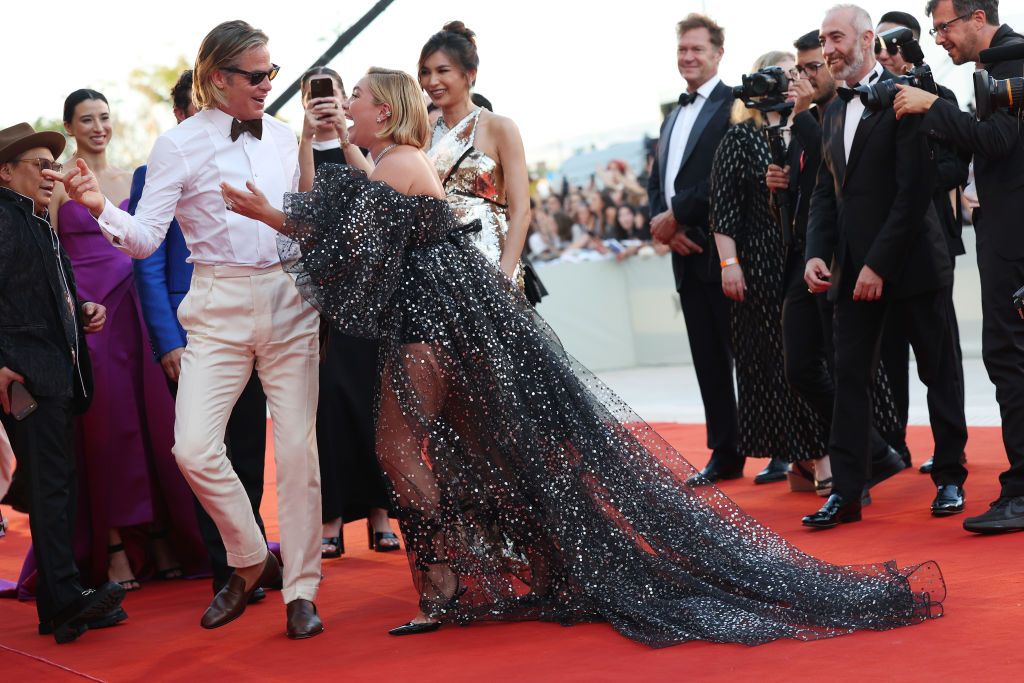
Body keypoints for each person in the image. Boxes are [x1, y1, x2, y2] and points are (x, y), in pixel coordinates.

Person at [221, 65, 946, 647]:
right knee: (487, 447)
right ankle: (526, 565)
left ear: (384, 109)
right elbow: (352, 226)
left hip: (429, 324)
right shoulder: (395, 159)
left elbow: (350, 242)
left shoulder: (400, 162)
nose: (346, 103)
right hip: (448, 322)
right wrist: (298, 190)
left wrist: (267, 214)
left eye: (356, 97)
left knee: (400, 443)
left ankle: (449, 583)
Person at [51, 20, 324, 639]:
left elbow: (306, 228)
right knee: (193, 448)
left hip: (287, 299)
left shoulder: (284, 138)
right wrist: (98, 209)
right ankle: (252, 558)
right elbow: (145, 240)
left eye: (271, 73)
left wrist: (277, 219)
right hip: (216, 304)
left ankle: (302, 590)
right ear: (217, 78)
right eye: (255, 76)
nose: (266, 85)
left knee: (298, 453)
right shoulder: (176, 145)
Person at [802, 5, 967, 528]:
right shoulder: (829, 112)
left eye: (836, 38)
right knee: (849, 378)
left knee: (937, 373)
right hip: (851, 271)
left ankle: (949, 479)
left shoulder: (904, 97)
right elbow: (827, 196)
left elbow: (913, 191)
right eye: (823, 40)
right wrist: (815, 253)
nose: (828, 49)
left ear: (867, 39)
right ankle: (848, 491)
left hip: (914, 262)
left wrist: (878, 263)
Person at [49, 89, 201, 592]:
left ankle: (161, 532)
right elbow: (50, 257)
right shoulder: (55, 185)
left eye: (104, 118)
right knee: (105, 427)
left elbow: (152, 240)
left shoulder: (134, 175)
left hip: (136, 306)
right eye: (86, 119)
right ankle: (114, 543)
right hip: (91, 314)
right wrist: (70, 311)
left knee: (152, 422)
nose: (98, 127)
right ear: (69, 126)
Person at [130, 70, 272, 600]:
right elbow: (146, 262)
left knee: (249, 447)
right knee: (201, 448)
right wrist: (167, 339)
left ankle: (254, 555)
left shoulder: (259, 155)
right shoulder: (157, 167)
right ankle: (227, 570)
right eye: (197, 109)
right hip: (193, 328)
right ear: (180, 116)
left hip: (258, 319)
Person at [894, 0, 1024, 532]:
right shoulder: (995, 67)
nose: (939, 38)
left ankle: (1020, 491)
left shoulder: (1013, 62)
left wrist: (932, 107)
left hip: (1014, 238)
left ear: (976, 17)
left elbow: (997, 140)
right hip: (1001, 231)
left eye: (943, 26)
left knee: (1008, 358)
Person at [0, 122, 125, 643]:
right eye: (40, 166)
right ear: (6, 172)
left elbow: (54, 290)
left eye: (54, 165)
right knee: (51, 489)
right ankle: (64, 599)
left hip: (55, 372)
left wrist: (85, 307)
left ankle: (61, 600)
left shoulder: (36, 222)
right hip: (26, 375)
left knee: (57, 486)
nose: (52, 175)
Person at [297, 65, 399, 557]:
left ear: (345, 100)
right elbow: (303, 203)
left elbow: (377, 192)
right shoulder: (293, 148)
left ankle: (381, 513)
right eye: (314, 95)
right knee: (330, 404)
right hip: (319, 290)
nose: (325, 103)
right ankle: (331, 517)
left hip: (370, 286)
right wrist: (306, 138)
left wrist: (342, 135)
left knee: (374, 399)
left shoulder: (365, 146)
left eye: (335, 94)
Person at [709, 50, 825, 483]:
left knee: (809, 361)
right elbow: (723, 211)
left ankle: (814, 455)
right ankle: (798, 458)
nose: (787, 84)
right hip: (756, 267)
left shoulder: (810, 129)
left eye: (794, 74)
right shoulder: (739, 139)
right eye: (778, 77)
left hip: (800, 257)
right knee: (771, 366)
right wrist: (730, 264)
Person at [873, 10, 971, 474]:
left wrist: (917, 180)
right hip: (883, 246)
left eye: (899, 44)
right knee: (888, 352)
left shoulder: (941, 96)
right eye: (883, 45)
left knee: (939, 353)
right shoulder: (873, 101)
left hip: (933, 240)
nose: (890, 55)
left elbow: (957, 166)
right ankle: (894, 446)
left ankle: (952, 448)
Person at [648, 14, 741, 485]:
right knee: (707, 361)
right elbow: (656, 182)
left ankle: (786, 450)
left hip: (724, 251)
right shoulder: (670, 116)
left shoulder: (734, 105)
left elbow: (727, 173)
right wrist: (662, 225)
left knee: (749, 355)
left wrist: (678, 213)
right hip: (685, 255)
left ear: (717, 53)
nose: (687, 57)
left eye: (696, 50)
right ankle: (725, 451)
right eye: (682, 50)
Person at [420, 21, 530, 284]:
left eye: (442, 70)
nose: (432, 81)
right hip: (436, 266)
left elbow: (521, 211)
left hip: (490, 259)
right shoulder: (421, 133)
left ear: (470, 74)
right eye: (425, 72)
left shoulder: (500, 126)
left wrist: (504, 277)